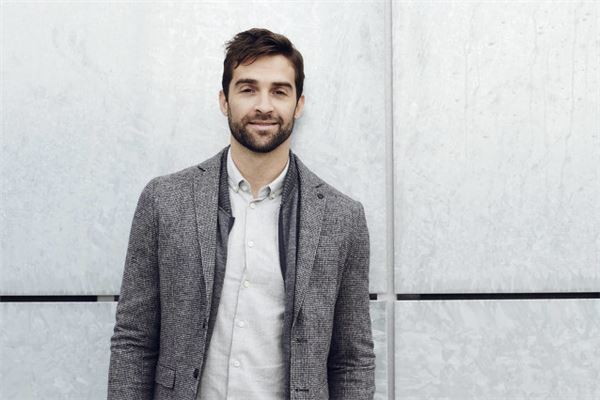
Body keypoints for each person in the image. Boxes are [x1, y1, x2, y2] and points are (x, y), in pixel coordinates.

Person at [108, 28, 375, 400]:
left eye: (279, 91)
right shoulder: (164, 201)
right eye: (248, 89)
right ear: (224, 100)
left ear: (299, 105)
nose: (264, 106)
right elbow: (134, 341)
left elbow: (352, 360)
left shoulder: (341, 218)